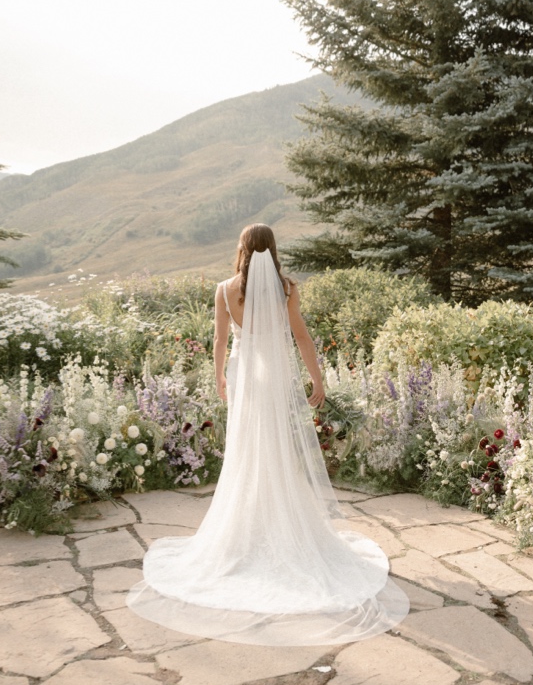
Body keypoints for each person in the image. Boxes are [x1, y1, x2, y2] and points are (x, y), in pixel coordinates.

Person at [125, 223, 408, 645]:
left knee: (247, 450)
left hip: (245, 377)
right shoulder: (287, 289)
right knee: (276, 448)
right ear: (272, 251)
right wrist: (318, 380)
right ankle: (279, 515)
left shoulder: (224, 290)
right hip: (274, 377)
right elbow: (301, 337)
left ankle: (249, 522)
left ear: (241, 250)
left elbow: (220, 339)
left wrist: (220, 377)